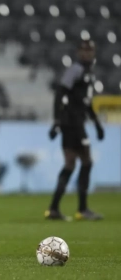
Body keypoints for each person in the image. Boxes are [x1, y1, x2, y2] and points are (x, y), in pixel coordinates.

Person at [45, 39, 105, 221]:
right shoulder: (76, 70)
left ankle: (54, 209)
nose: (86, 53)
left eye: (90, 50)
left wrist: (97, 124)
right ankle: (82, 209)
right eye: (83, 50)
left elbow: (86, 103)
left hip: (75, 123)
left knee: (71, 164)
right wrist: (56, 121)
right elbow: (60, 93)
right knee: (86, 161)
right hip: (72, 123)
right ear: (79, 52)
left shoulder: (89, 72)